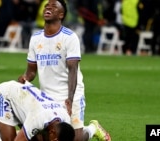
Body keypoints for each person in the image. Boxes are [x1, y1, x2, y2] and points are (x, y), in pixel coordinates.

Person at [17, 0, 110, 141]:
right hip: (47, 96)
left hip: (71, 93)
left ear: (61, 15)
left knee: (75, 139)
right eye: (47, 5)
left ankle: (93, 128)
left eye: (53, 7)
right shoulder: (35, 38)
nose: (48, 7)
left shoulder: (69, 37)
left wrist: (70, 98)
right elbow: (31, 71)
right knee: (44, 137)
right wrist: (25, 78)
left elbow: (73, 70)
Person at [0, 80, 110, 141]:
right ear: (53, 131)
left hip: (27, 103)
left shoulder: (64, 121)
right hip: (4, 95)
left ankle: (92, 128)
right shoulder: (38, 119)